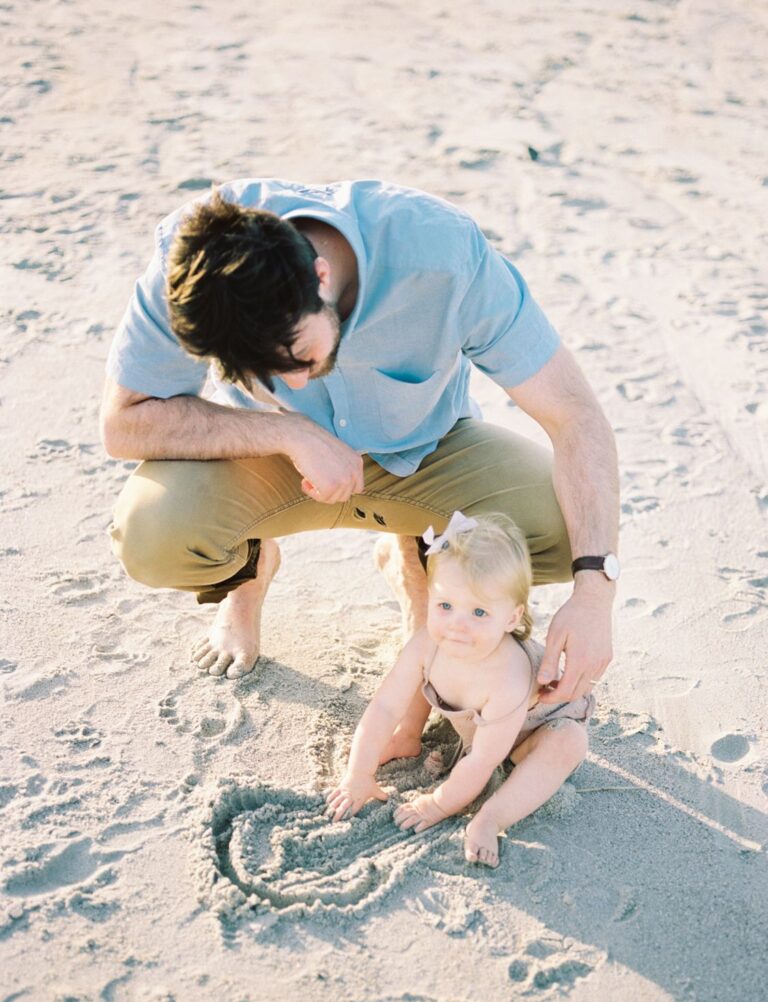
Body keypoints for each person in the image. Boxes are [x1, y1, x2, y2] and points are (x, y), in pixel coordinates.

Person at [100, 178, 619, 762]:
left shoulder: (443, 254)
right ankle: (250, 574)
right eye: (261, 372)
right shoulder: (191, 269)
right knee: (152, 534)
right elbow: (124, 423)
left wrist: (595, 592)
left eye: (296, 356)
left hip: (424, 453)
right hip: (272, 464)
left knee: (561, 532)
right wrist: (287, 429)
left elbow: (577, 418)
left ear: (320, 277)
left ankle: (413, 556)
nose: (291, 384)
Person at [326, 512, 593, 868]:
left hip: (531, 731)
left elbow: (483, 760)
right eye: (445, 606)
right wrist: (358, 774)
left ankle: (491, 819)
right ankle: (408, 736)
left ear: (511, 618)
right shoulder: (429, 642)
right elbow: (384, 707)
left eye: (479, 612)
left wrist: (438, 804)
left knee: (569, 742)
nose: (457, 626)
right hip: (480, 724)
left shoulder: (508, 676)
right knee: (416, 676)